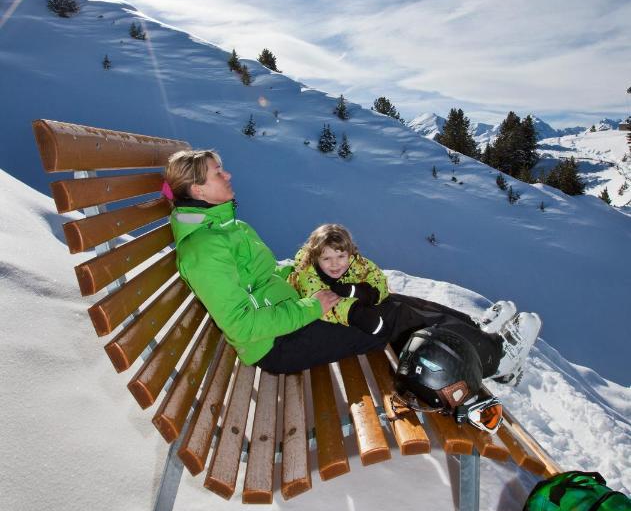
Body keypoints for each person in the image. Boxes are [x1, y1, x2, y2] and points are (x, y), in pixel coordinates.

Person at [164, 149, 540, 390]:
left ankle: (479, 335)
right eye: (218, 173)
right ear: (198, 191)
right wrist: (313, 306)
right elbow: (242, 325)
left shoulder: (229, 228)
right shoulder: (202, 248)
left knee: (394, 300)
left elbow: (260, 280)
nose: (227, 175)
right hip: (277, 345)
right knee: (393, 314)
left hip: (292, 315)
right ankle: (498, 359)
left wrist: (299, 270)